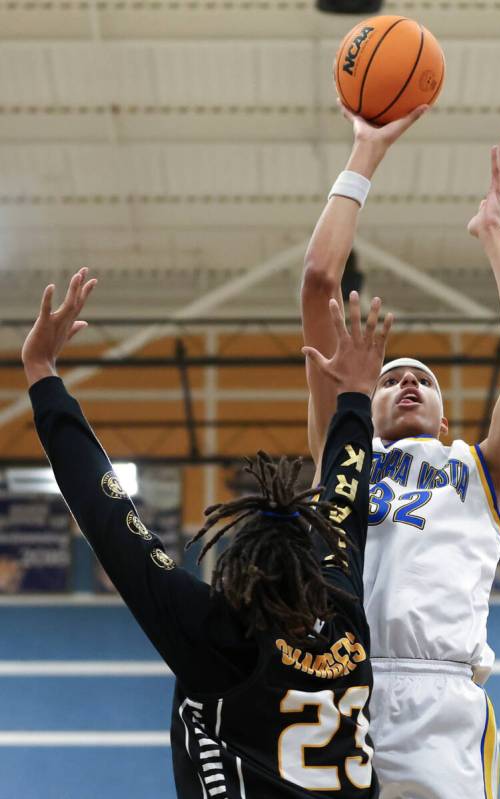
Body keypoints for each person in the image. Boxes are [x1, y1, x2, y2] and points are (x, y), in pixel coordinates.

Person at [23, 268, 394, 799]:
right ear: (316, 564)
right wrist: (355, 399)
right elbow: (344, 498)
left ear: (237, 572)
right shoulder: (344, 614)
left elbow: (108, 517)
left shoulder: (218, 636)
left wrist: (42, 374)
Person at [301, 105, 500, 799]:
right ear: (365, 403)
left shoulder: (475, 467)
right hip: (341, 689)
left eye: (423, 379)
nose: (406, 380)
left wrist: (493, 233)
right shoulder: (339, 455)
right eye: (388, 378)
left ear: (445, 422)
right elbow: (318, 285)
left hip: (441, 696)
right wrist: (364, 157)